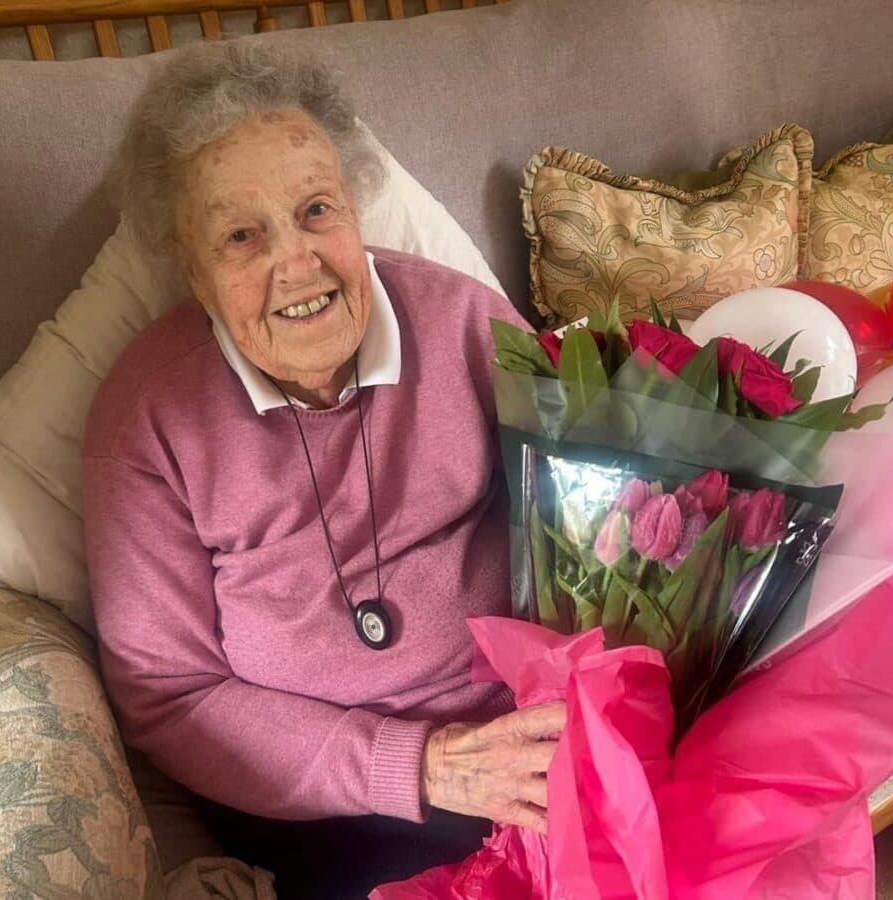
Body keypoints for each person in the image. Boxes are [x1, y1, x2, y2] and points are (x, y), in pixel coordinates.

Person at [82, 41, 565, 899]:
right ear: (191, 269)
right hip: (317, 803)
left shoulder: (462, 324)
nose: (297, 264)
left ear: (353, 209)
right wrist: (415, 766)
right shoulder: (148, 418)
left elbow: (583, 522)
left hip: (524, 738)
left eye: (314, 211)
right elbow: (169, 691)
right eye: (241, 236)